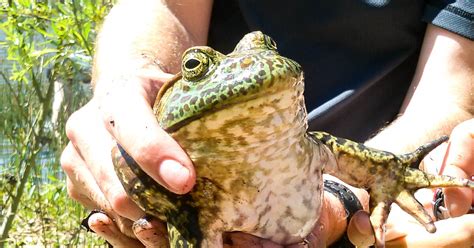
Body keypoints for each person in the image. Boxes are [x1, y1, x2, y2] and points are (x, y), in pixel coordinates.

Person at [60, 0, 473, 246]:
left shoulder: (317, 151)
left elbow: (452, 93)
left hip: (374, 228)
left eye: (265, 52)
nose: (253, 68)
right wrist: (128, 75)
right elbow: (163, 5)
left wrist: (339, 203)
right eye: (196, 68)